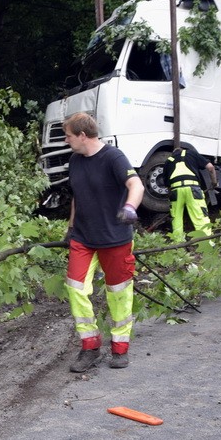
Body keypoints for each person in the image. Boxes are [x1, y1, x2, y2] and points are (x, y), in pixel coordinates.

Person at [63, 113, 144, 372]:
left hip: (115, 238)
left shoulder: (113, 157)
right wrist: (71, 227)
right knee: (75, 288)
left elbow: (136, 184)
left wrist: (130, 207)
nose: (66, 141)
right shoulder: (75, 161)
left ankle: (120, 349)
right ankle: (90, 347)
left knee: (119, 294)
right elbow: (77, 195)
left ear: (82, 135)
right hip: (84, 238)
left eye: (68, 136)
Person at [163, 147, 216, 242]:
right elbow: (210, 167)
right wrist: (214, 182)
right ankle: (206, 242)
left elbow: (167, 186)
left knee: (176, 217)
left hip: (176, 190)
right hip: (193, 188)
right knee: (200, 216)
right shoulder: (191, 153)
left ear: (173, 154)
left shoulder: (168, 161)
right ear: (182, 151)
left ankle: (178, 244)